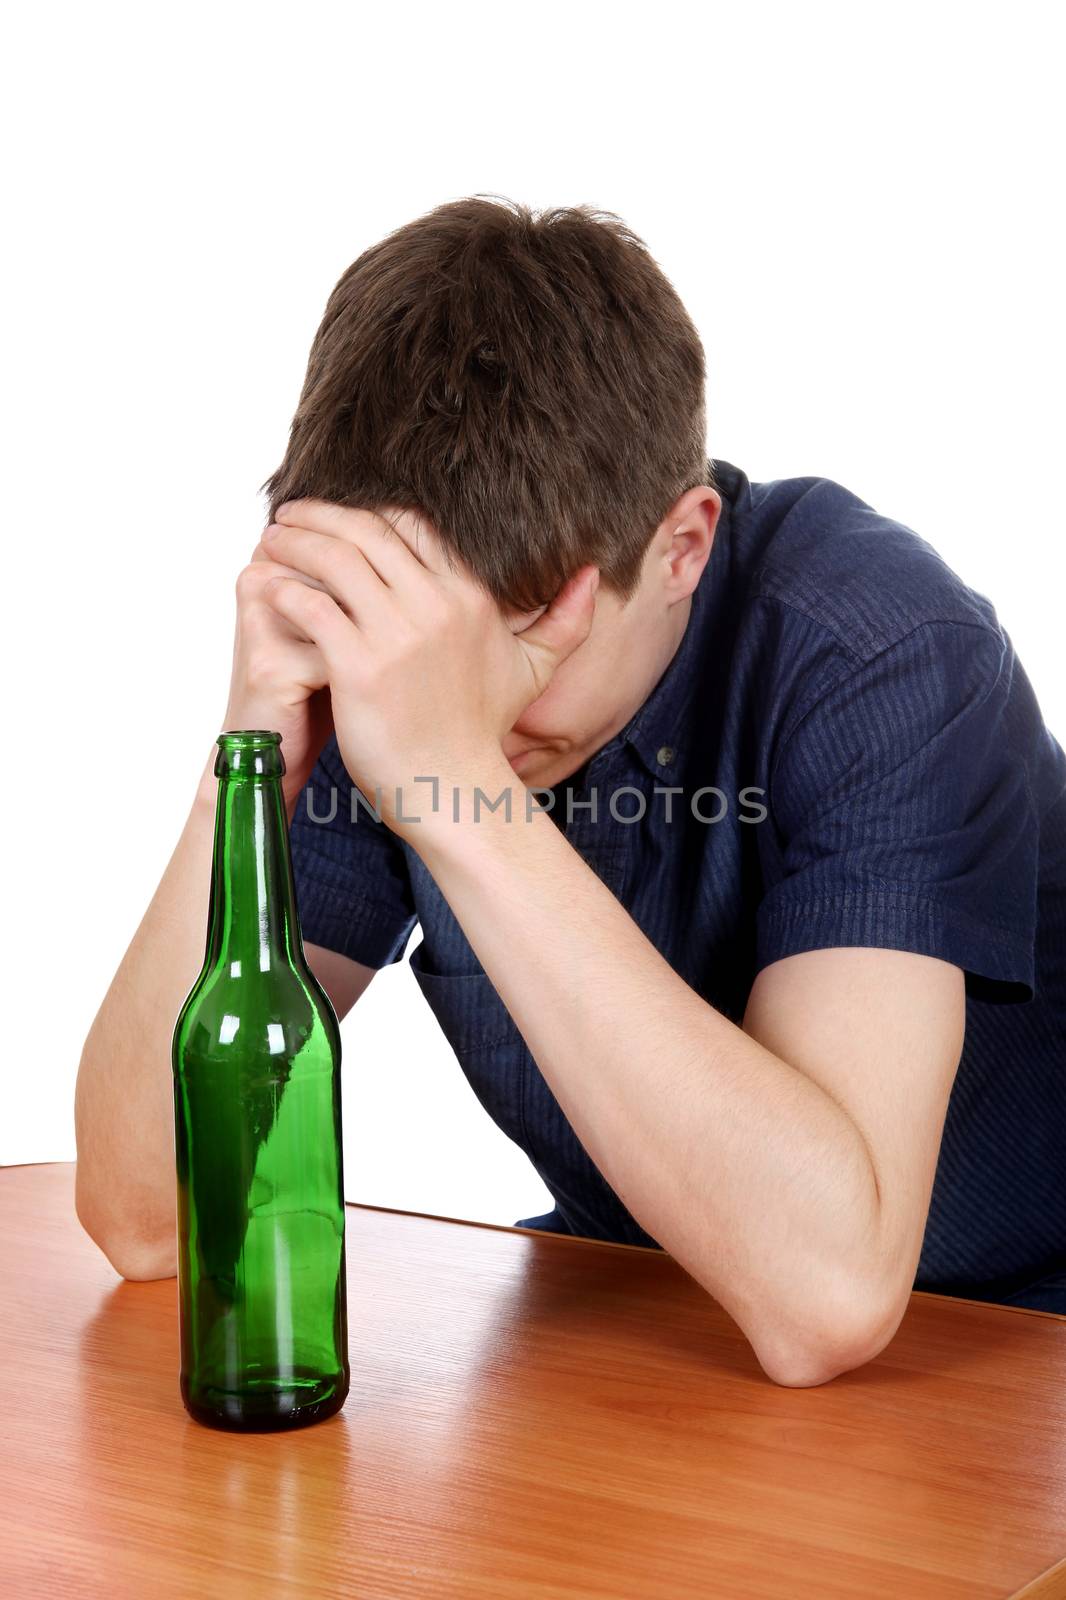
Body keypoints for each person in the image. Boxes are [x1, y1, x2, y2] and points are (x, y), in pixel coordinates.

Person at [74, 195, 1066, 1387]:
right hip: (647, 1321)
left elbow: (829, 1295)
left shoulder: (883, 649)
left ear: (683, 545)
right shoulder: (389, 664)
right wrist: (253, 759)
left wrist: (452, 786)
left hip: (1002, 1337)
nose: (470, 700)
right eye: (432, 651)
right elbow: (145, 1217)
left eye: (532, 635)